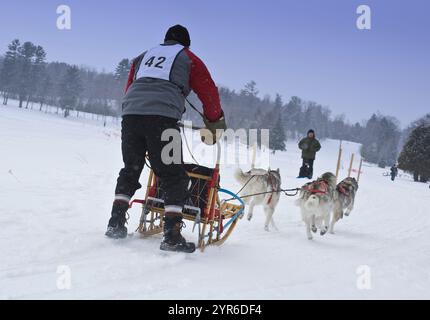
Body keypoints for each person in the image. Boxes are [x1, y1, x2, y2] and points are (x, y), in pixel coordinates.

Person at [105, 25, 226, 253]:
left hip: (131, 115)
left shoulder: (142, 57)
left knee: (130, 168)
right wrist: (214, 119)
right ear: (185, 44)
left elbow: (130, 85)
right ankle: (171, 235)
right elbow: (209, 92)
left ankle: (116, 222)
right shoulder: (189, 58)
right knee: (173, 175)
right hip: (161, 119)